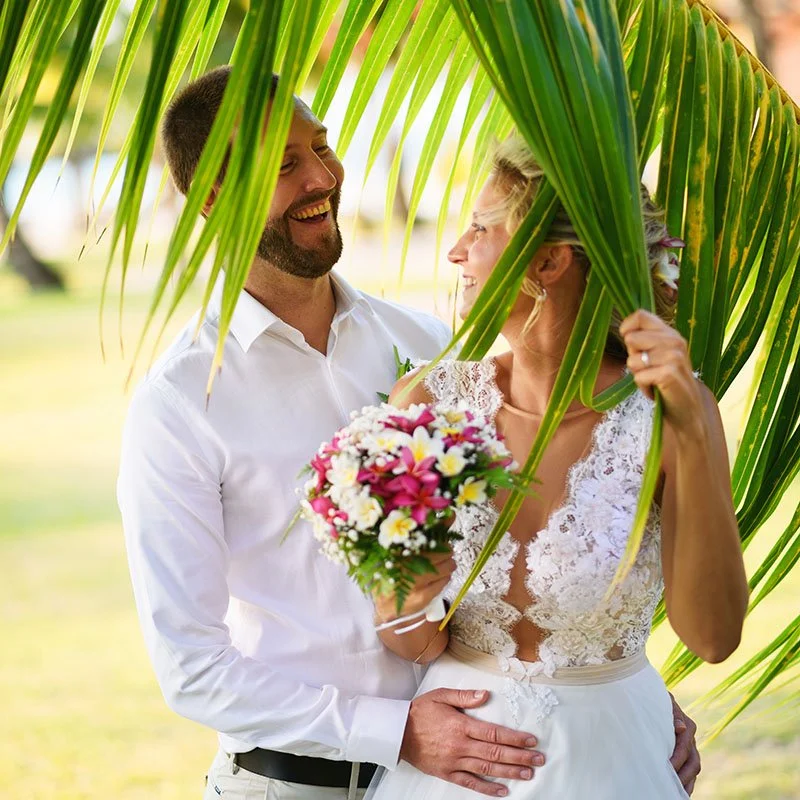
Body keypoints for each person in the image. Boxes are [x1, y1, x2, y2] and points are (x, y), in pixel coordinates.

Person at [117, 66, 703, 800]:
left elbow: (536, 550)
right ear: (213, 202)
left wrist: (610, 697)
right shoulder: (179, 404)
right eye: (284, 164)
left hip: (487, 764)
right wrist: (394, 733)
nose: (322, 176)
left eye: (321, 147)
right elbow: (190, 666)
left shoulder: (431, 348)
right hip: (295, 784)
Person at [368, 137, 749, 799]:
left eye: (480, 230)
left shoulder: (670, 413)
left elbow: (712, 638)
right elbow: (411, 643)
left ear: (547, 260)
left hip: (610, 764)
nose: (456, 250)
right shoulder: (428, 404)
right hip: (457, 769)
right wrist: (404, 594)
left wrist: (690, 433)